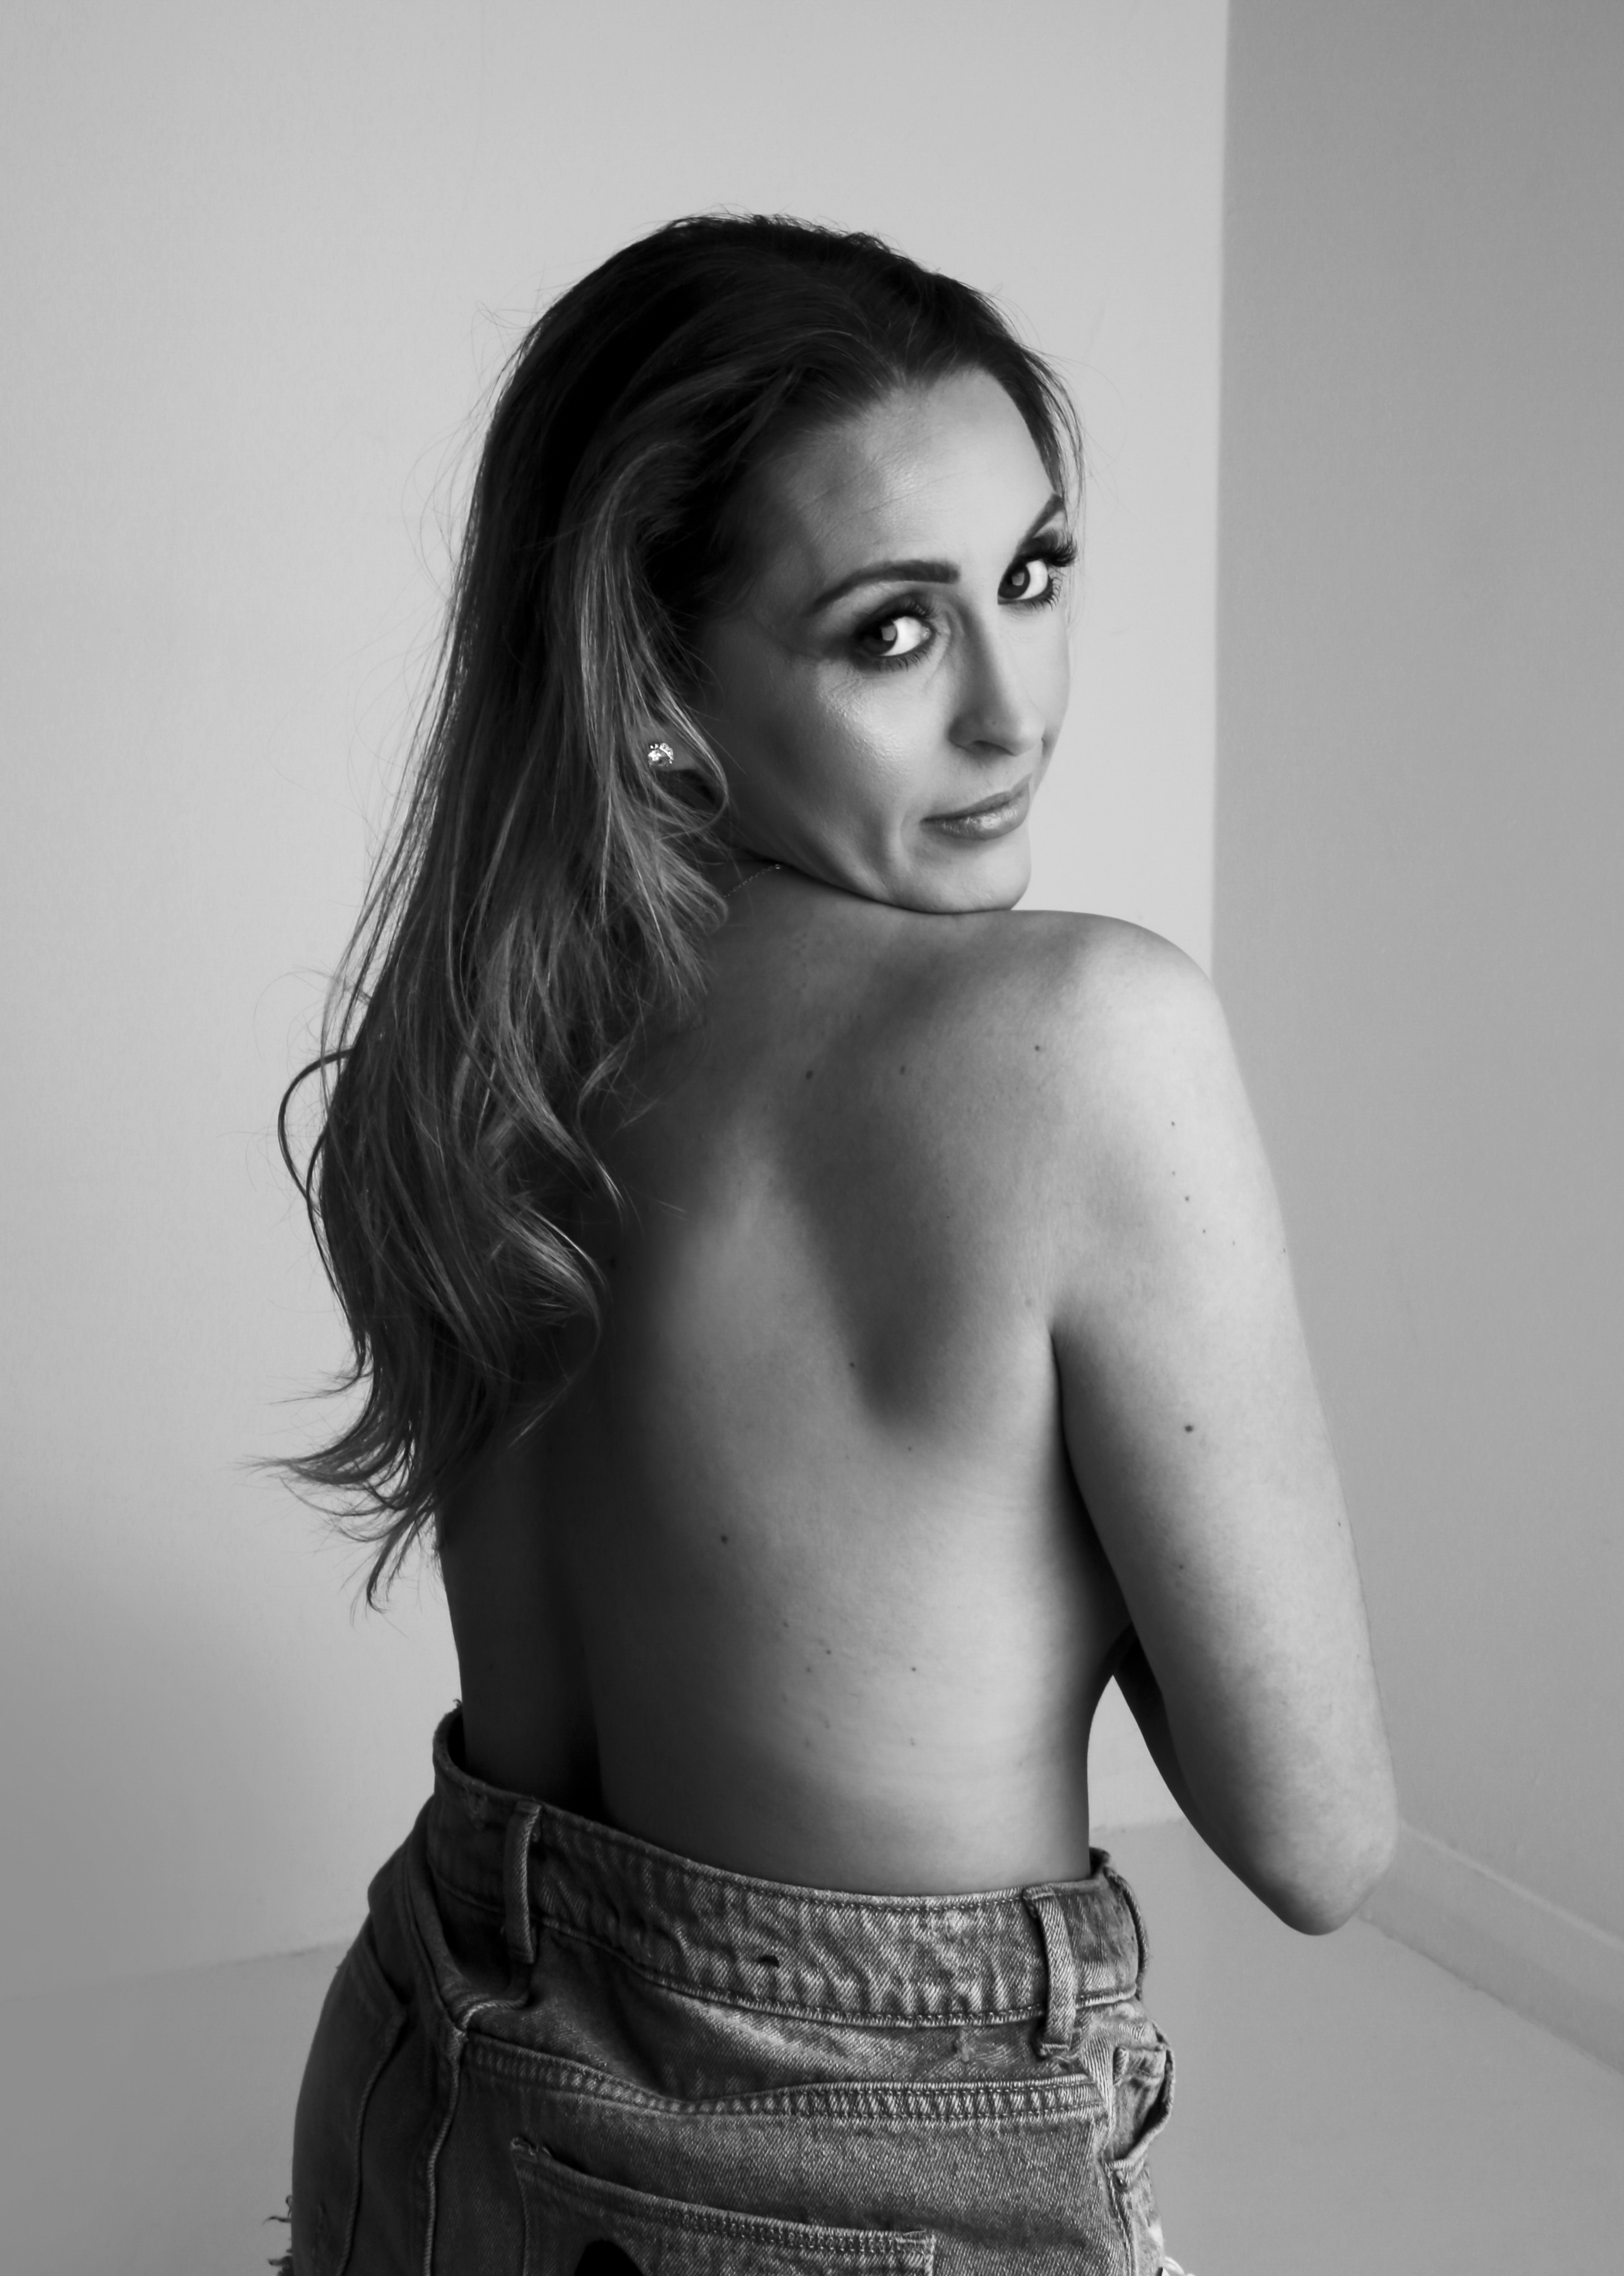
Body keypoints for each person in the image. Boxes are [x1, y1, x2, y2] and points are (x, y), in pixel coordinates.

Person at [278, 213, 1397, 2276]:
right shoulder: (1081, 1041)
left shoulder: (465, 1067)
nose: (1010, 710)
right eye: (889, 631)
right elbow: (1319, 1840)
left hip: (426, 2095)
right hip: (834, 2176)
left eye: (1031, 575)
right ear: (655, 681)